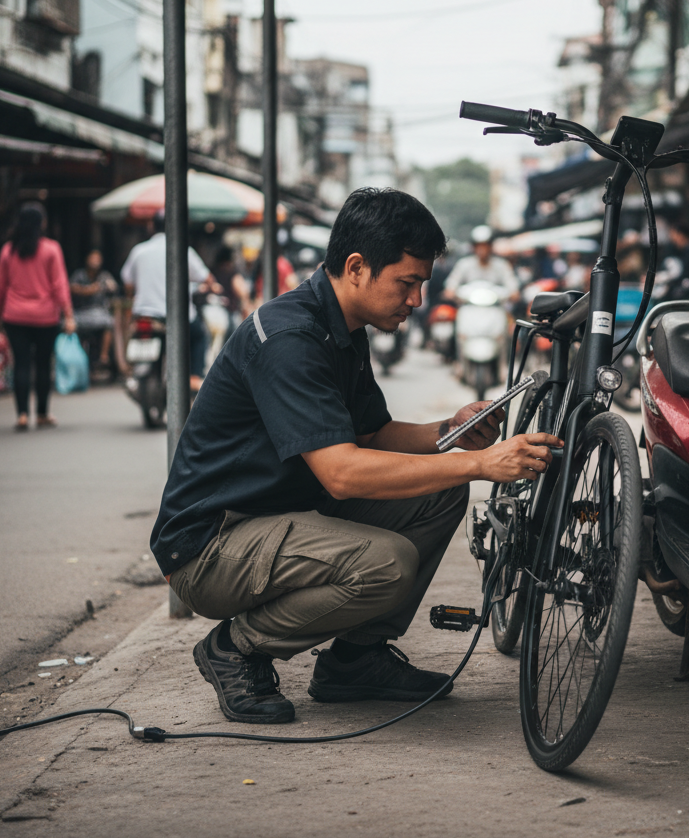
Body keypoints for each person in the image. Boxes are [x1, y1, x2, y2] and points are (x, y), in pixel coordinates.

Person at [151, 188, 561, 724]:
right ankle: (236, 647)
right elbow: (342, 472)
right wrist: (482, 464)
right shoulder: (290, 337)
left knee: (438, 489)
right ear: (356, 267)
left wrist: (450, 430)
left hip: (278, 516)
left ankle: (355, 659)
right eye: (407, 283)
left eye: (421, 285)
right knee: (386, 563)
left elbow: (374, 434)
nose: (416, 300)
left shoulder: (342, 327)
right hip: (211, 544)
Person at [0, 202, 75, 430]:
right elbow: (60, 285)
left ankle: (22, 415)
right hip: (45, 317)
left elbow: (0, 287)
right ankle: (41, 413)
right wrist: (68, 315)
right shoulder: (51, 249)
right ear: (41, 223)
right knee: (42, 364)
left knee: (21, 364)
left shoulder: (8, 251)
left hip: (14, 316)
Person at [120, 211, 214, 388]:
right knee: (200, 336)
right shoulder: (183, 250)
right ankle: (194, 376)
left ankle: (138, 374)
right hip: (179, 317)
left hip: (145, 314)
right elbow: (207, 278)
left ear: (151, 226)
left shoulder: (139, 251)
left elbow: (127, 282)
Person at [442, 225, 519, 303]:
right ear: (473, 247)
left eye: (485, 246)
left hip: (496, 307)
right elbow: (452, 284)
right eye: (478, 246)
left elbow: (512, 286)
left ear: (491, 246)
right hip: (468, 306)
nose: (482, 250)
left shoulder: (502, 265)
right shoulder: (464, 264)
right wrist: (450, 291)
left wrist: (513, 293)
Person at [70, 249, 118, 372]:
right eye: (93, 258)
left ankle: (104, 356)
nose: (95, 262)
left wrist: (111, 286)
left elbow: (114, 287)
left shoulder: (104, 276)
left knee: (109, 322)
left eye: (98, 259)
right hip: (81, 312)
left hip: (99, 313)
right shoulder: (79, 275)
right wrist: (90, 289)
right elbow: (71, 288)